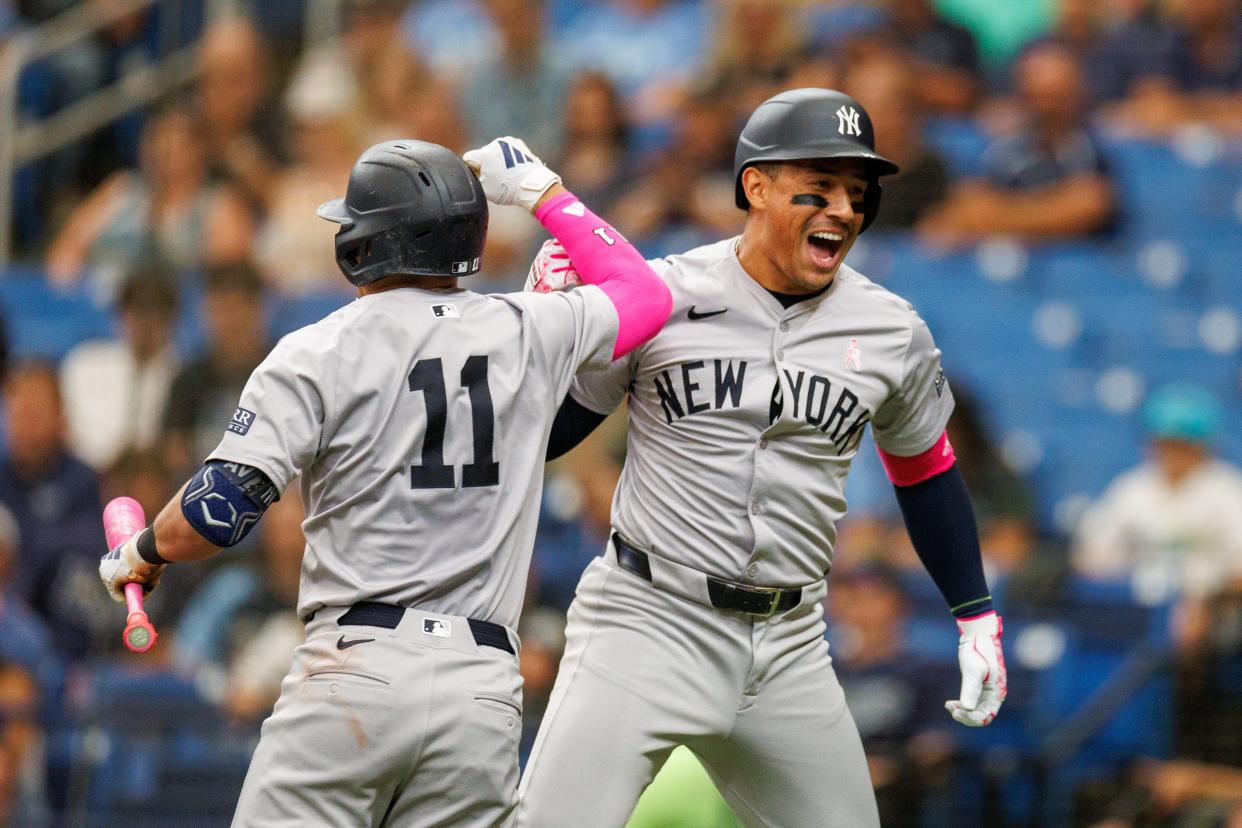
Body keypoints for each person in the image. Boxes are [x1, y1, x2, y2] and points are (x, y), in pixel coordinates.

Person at [98, 137, 672, 826]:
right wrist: (545, 194)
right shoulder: (528, 328)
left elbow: (216, 514)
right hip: (482, 689)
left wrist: (143, 554)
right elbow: (645, 293)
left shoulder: (320, 348)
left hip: (357, 672)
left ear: (367, 244)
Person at [517, 88, 1007, 827]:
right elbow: (549, 438)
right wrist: (543, 338)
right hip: (648, 620)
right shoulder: (661, 296)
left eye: (857, 191)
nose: (843, 207)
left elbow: (926, 471)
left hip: (789, 643)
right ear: (757, 185)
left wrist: (975, 615)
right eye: (820, 185)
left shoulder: (891, 329)